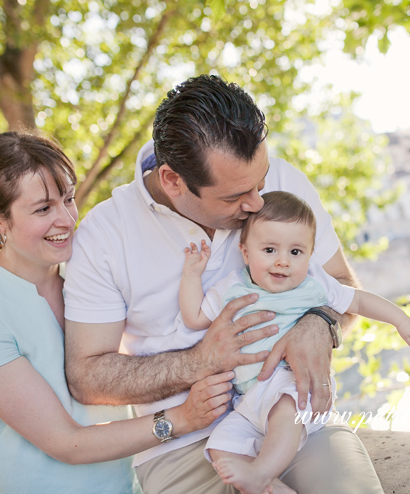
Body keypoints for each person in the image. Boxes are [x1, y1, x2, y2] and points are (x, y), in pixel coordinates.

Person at [63, 74, 386, 493]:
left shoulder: (285, 182)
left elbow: (341, 284)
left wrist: (320, 323)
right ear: (173, 181)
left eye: (261, 182)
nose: (256, 203)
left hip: (291, 415)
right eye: (235, 197)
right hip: (179, 446)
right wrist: (200, 360)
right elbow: (86, 377)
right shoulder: (105, 234)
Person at [0, 131, 233, 494]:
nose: (66, 219)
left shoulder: (88, 274)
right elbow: (65, 442)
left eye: (68, 199)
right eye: (43, 209)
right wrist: (181, 418)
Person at [178, 191, 410, 494]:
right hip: (247, 401)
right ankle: (269, 484)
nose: (283, 261)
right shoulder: (231, 287)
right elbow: (194, 317)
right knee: (221, 444)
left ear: (310, 255)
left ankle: (260, 473)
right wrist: (192, 274)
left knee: (286, 409)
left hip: (299, 384)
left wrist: (401, 320)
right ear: (246, 252)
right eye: (270, 250)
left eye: (295, 252)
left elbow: (358, 301)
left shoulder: (314, 284)